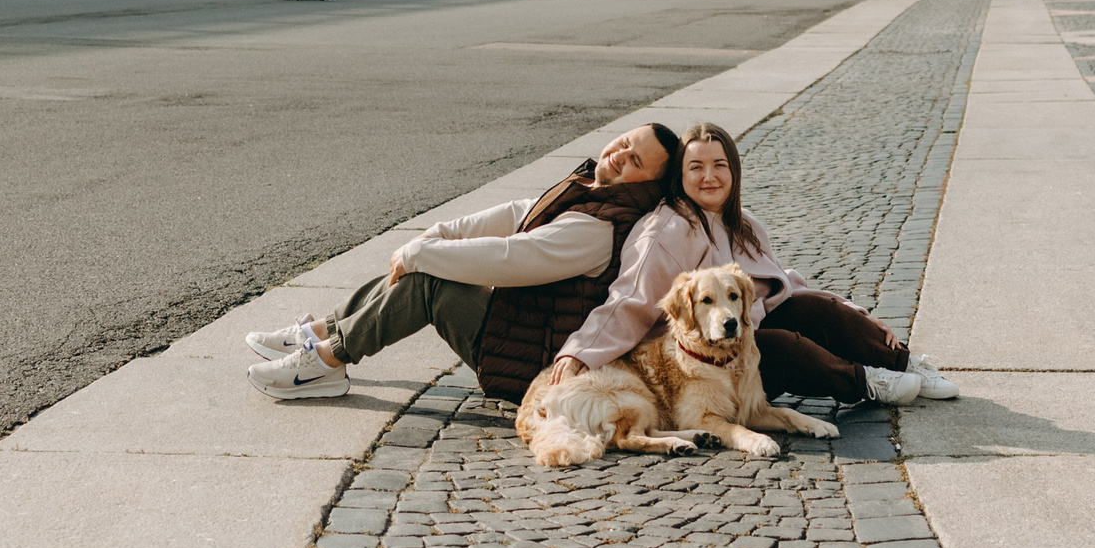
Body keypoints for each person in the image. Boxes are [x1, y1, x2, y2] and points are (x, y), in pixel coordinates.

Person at [244, 125, 681, 401]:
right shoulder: (591, 187)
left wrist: (421, 254)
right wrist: (439, 235)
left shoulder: (602, 228)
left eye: (635, 161)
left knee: (428, 282)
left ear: (650, 184)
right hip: (518, 327)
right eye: (623, 144)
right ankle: (321, 332)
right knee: (425, 266)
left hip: (531, 362)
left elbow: (512, 258)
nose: (619, 156)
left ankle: (327, 361)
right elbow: (517, 214)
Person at [549, 121, 957, 409]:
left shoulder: (744, 225)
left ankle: (902, 362)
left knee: (818, 308)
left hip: (739, 338)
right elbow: (630, 300)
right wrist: (580, 354)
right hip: (695, 363)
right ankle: (866, 383)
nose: (709, 177)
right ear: (681, 177)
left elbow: (785, 285)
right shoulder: (666, 230)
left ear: (734, 172)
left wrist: (853, 312)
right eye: (696, 167)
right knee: (774, 346)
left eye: (719, 165)